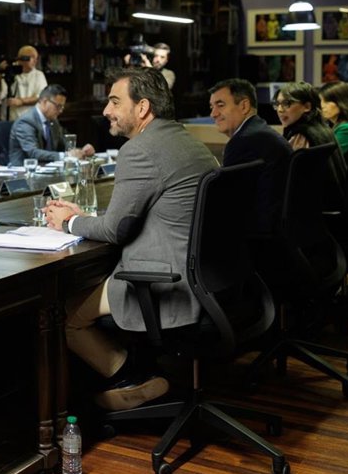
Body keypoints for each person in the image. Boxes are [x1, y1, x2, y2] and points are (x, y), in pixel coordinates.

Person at [43, 67, 218, 411]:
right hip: (208, 278)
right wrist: (83, 217)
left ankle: (133, 379)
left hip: (166, 280)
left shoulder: (139, 150)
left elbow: (114, 231)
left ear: (142, 107)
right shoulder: (190, 143)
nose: (106, 110)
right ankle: (143, 375)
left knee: (63, 315)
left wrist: (69, 222)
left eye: (114, 101)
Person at [209, 78, 290, 231]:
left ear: (244, 106)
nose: (213, 114)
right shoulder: (260, 131)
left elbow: (229, 203)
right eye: (212, 107)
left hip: (261, 233)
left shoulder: (243, 142)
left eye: (220, 105)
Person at [8, 85, 95, 165]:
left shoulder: (53, 121)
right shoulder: (26, 122)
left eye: (62, 107)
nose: (61, 111)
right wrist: (66, 156)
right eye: (58, 106)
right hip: (23, 172)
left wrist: (81, 151)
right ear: (44, 102)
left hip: (48, 170)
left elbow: (63, 143)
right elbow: (33, 153)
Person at [273, 82, 336, 150]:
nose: (279, 110)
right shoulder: (323, 127)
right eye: (277, 104)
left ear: (307, 107)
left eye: (286, 103)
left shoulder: (301, 135)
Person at [0, 45, 47, 122]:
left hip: (30, 121)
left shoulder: (39, 75)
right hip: (11, 119)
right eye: (30, 57)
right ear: (20, 59)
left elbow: (41, 97)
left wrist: (21, 101)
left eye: (36, 58)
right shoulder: (10, 72)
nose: (35, 61)